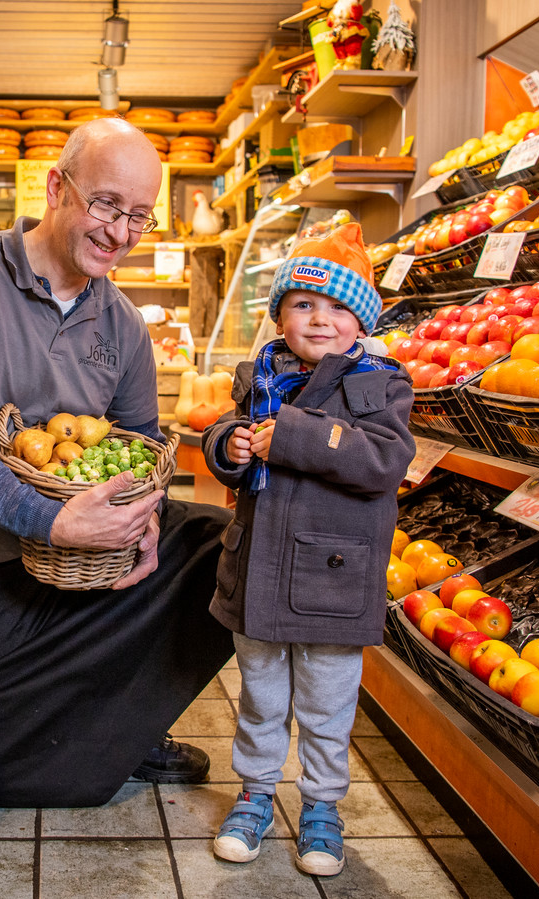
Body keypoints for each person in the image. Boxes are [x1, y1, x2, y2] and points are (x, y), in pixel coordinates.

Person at [0, 117, 236, 808]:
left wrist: (141, 522)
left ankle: (127, 723)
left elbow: (138, 451)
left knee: (224, 547)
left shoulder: (125, 327)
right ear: (56, 187)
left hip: (68, 566)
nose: (120, 232)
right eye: (106, 204)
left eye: (138, 215)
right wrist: (52, 521)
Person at [199, 223, 415, 876]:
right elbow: (229, 432)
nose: (318, 319)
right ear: (280, 315)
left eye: (336, 307)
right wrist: (228, 445)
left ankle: (321, 803)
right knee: (261, 694)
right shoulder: (259, 374)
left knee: (325, 701)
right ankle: (256, 791)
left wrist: (287, 434)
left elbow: (382, 460)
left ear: (361, 320)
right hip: (259, 569)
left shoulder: (380, 383)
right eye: (302, 304)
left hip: (331, 575)